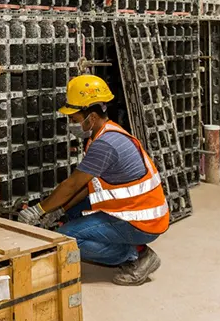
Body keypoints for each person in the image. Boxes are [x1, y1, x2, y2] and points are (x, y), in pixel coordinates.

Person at [18, 74, 168, 285]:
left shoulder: (104, 145)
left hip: (142, 222)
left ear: (92, 117)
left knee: (68, 239)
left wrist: (39, 210)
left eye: (75, 119)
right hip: (134, 208)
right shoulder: (106, 133)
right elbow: (89, 186)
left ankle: (137, 255)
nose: (71, 124)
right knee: (70, 211)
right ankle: (127, 245)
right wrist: (61, 210)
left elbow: (72, 185)